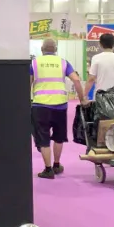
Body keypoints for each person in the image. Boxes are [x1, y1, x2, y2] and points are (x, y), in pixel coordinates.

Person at [30, 38, 85, 179]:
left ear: (42, 49)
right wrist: (82, 99)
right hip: (60, 105)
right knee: (59, 137)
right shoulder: (63, 62)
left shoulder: (34, 63)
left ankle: (48, 169)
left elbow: (27, 83)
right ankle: (56, 165)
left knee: (43, 137)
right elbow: (76, 80)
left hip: (40, 105)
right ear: (55, 50)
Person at [84, 33, 114, 102]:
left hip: (100, 96)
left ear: (100, 44)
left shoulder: (96, 58)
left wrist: (84, 95)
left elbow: (91, 79)